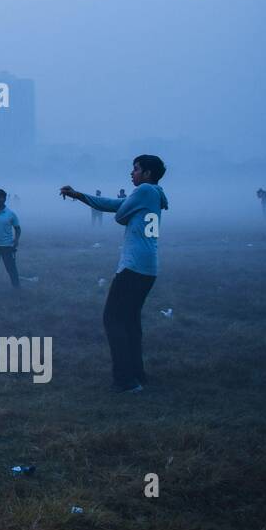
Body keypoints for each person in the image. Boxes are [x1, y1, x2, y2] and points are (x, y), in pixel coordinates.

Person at [60, 154, 169, 394]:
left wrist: (124, 212)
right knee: (129, 321)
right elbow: (113, 204)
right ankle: (137, 374)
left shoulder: (145, 191)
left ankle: (125, 380)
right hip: (147, 266)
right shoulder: (152, 194)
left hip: (134, 266)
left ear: (148, 173)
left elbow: (120, 216)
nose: (132, 173)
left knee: (113, 319)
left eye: (136, 169)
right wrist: (79, 196)